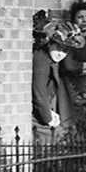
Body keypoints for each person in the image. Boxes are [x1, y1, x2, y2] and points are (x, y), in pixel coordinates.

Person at [34, 11, 77, 144]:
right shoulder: (41, 59)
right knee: (54, 139)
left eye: (65, 50)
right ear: (50, 44)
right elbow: (39, 92)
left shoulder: (51, 60)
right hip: (34, 116)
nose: (61, 53)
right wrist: (48, 117)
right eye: (58, 47)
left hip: (42, 111)